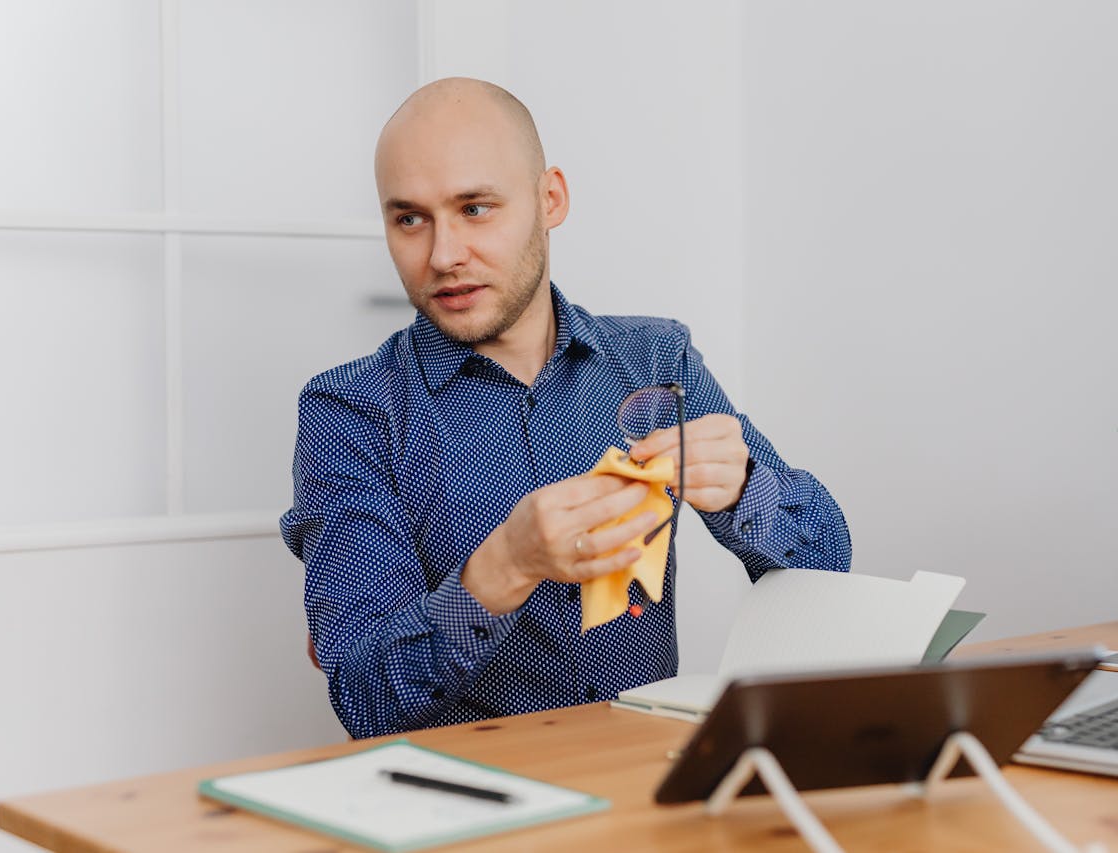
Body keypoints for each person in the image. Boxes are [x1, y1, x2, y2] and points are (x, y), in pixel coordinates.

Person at [280, 78, 851, 738]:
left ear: (550, 199)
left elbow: (828, 574)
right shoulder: (348, 412)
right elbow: (364, 697)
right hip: (472, 811)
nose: (443, 256)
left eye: (475, 208)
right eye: (410, 218)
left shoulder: (658, 361)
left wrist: (749, 490)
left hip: (648, 787)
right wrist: (503, 568)